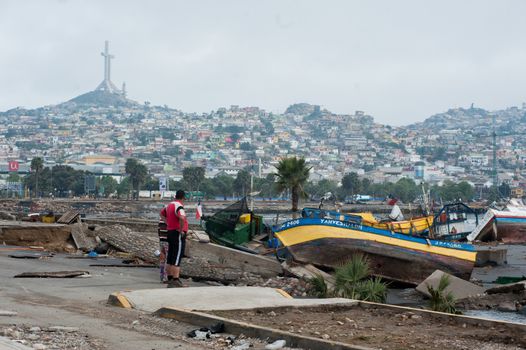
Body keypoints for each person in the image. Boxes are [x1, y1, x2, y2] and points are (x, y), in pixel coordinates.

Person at [160, 190, 188, 288]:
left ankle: (170, 279)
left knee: (171, 256)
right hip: (177, 233)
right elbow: (182, 217)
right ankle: (176, 280)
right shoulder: (179, 206)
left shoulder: (169, 205)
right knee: (177, 257)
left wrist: (168, 223)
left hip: (170, 232)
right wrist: (181, 229)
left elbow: (162, 214)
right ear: (183, 197)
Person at [157, 210, 169, 283]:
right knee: (168, 260)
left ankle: (161, 276)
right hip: (168, 241)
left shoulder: (160, 220)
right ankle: (165, 277)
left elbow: (158, 230)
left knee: (162, 259)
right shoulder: (168, 221)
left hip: (161, 240)